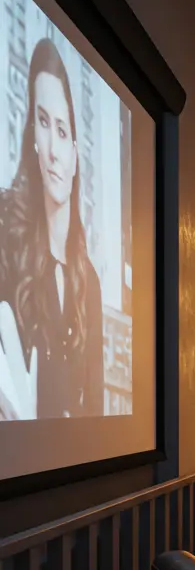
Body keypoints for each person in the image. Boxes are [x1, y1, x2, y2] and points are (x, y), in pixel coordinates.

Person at [0, 36, 104, 419]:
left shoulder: (88, 282)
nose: (54, 150)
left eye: (63, 130)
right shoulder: (7, 243)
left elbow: (94, 409)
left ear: (76, 154)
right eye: (43, 123)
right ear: (32, 138)